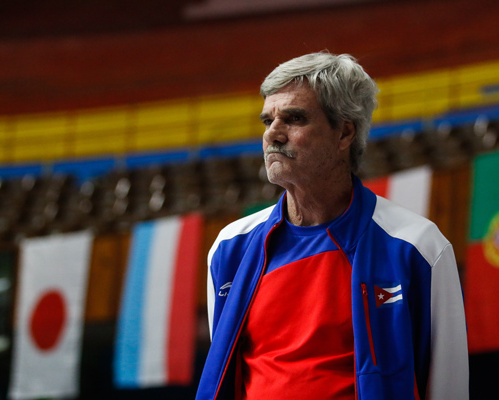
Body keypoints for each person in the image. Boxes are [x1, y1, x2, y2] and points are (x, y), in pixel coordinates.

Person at [195, 52, 468, 400]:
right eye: (267, 121)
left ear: (344, 133)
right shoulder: (229, 248)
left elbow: (448, 386)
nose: (273, 134)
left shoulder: (417, 246)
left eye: (294, 118)